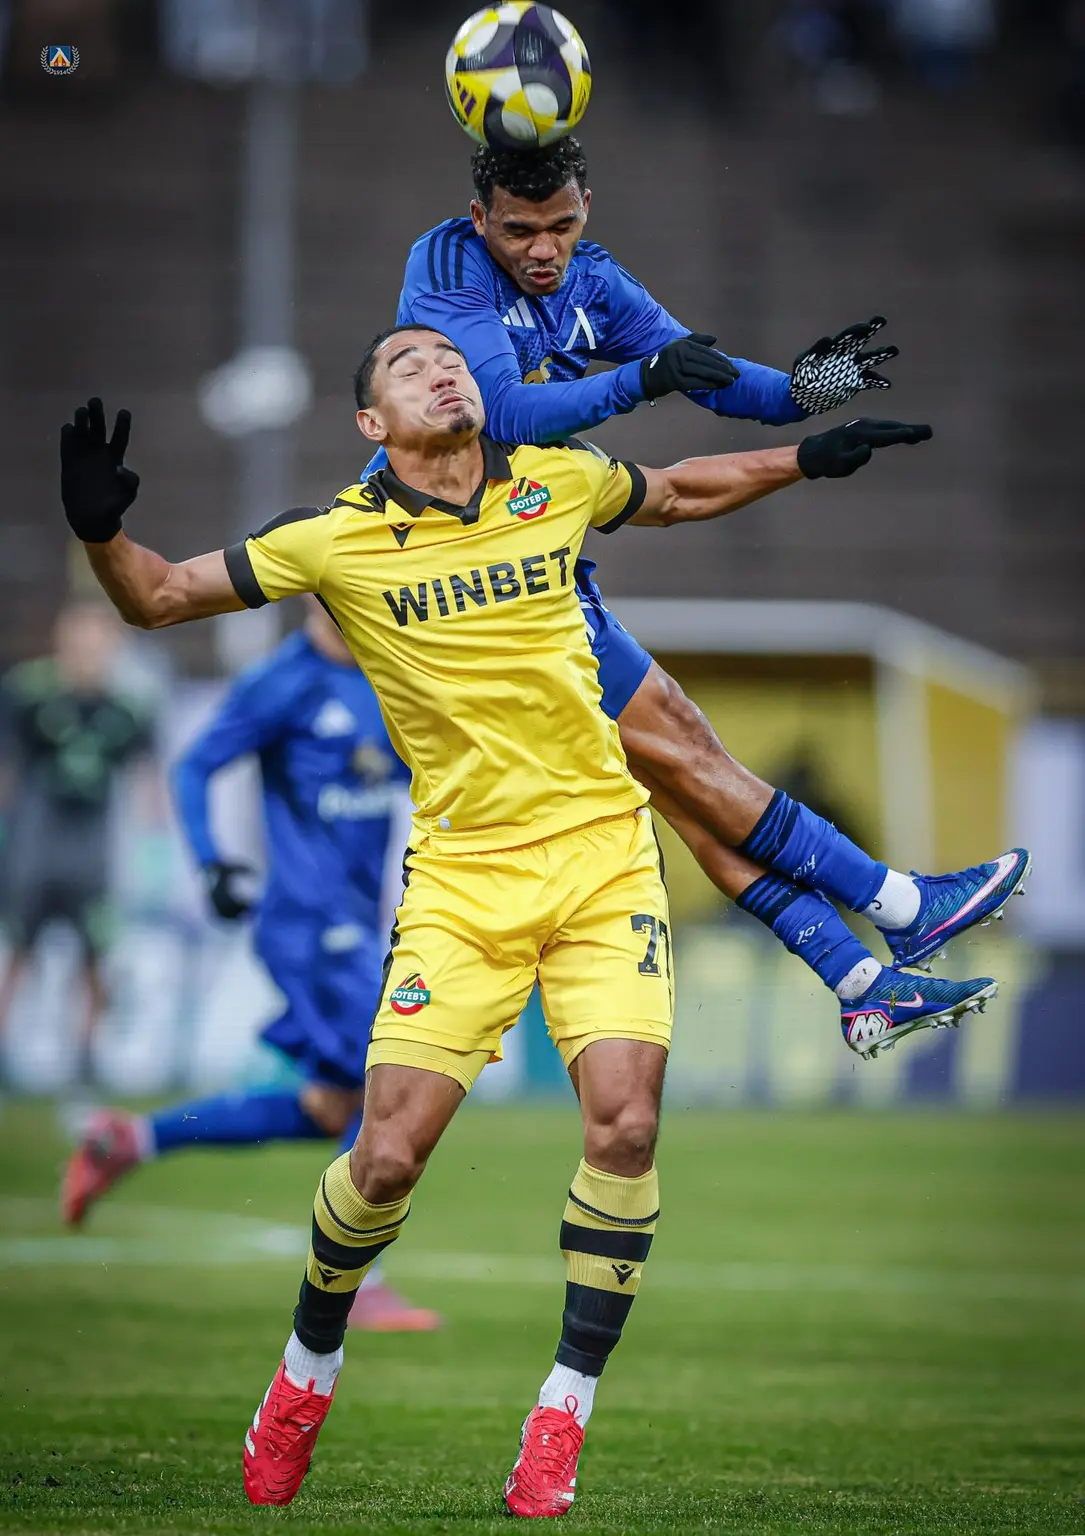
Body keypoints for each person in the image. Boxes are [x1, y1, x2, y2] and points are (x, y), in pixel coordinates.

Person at [57, 342, 994, 1516]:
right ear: (369, 422)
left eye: (449, 359)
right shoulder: (331, 541)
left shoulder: (555, 477)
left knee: (626, 1128)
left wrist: (805, 455)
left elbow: (679, 490)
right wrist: (100, 532)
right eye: (409, 366)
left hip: (603, 864)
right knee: (384, 1156)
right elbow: (156, 597)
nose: (440, 372)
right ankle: (304, 1372)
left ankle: (561, 1414)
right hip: (463, 887)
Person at [387, 137, 1030, 1042]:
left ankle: (858, 980)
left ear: (586, 209)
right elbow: (509, 408)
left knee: (682, 791)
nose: (542, 249)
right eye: (519, 231)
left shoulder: (594, 283)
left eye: (560, 226)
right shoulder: (447, 266)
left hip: (528, 555)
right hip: (470, 572)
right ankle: (899, 904)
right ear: (479, 219)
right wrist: (640, 380)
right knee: (684, 744)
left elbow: (712, 378)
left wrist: (806, 391)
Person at [60, 599, 437, 1333]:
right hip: (304, 923)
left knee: (332, 1109)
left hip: (357, 926)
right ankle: (359, 1279)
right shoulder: (281, 681)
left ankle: (130, 1140)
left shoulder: (386, 675)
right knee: (394, 1073)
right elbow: (195, 766)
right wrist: (212, 863)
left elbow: (420, 776)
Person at [0, 601, 152, 1086]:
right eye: (80, 641)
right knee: (19, 950)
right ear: (61, 642)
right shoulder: (28, 694)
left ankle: (86, 1055)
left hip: (92, 849)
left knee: (95, 957)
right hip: (34, 846)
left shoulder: (127, 708)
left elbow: (146, 778)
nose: (89, 653)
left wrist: (157, 848)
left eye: (98, 643)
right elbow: (7, 768)